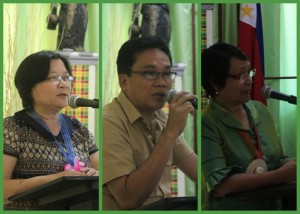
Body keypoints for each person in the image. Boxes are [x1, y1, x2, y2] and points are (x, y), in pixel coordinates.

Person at [102, 36, 198, 210]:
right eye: (150, 73)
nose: (162, 83)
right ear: (124, 81)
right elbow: (128, 199)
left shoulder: (161, 117)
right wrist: (169, 134)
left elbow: (200, 173)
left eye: (167, 73)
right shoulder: (108, 121)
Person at [201, 43, 296, 210]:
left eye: (250, 72)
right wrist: (279, 176)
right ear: (215, 83)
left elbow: (277, 159)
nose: (250, 81)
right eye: (241, 75)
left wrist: (290, 164)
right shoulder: (207, 122)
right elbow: (221, 185)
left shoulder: (260, 109)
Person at [3, 51, 99, 210]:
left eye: (66, 77)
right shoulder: (12, 129)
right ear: (30, 87)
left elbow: (105, 176)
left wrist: (94, 175)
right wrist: (58, 179)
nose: (63, 84)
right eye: (53, 78)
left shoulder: (79, 130)